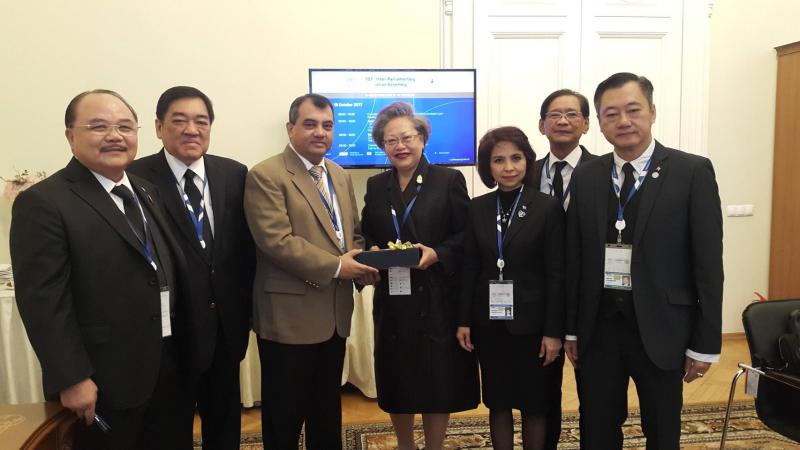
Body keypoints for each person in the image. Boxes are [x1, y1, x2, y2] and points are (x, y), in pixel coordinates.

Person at [10, 89, 188, 449]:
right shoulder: (44, 202)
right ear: (70, 135)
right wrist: (72, 377)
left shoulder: (145, 191)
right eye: (98, 126)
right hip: (103, 379)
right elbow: (44, 302)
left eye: (125, 126)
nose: (115, 136)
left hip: (165, 365)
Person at [564, 72, 723, 449]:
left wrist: (705, 343)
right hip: (598, 329)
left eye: (633, 110)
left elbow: (708, 265)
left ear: (652, 112)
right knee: (597, 428)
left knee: (663, 429)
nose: (623, 121)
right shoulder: (587, 176)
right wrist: (571, 329)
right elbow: (575, 259)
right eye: (611, 114)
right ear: (599, 122)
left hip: (663, 327)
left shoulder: (691, 172)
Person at [243, 93, 378, 449]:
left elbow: (351, 233)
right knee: (284, 417)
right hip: (289, 318)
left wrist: (362, 262)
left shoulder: (338, 174)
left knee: (326, 412)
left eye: (327, 125)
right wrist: (338, 266)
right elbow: (276, 241)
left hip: (334, 315)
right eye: (310, 124)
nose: (320, 132)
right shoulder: (266, 174)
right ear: (290, 128)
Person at [128, 86, 255, 450]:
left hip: (225, 328)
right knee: (170, 428)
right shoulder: (135, 177)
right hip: (171, 333)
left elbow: (244, 249)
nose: (191, 130)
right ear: (158, 127)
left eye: (201, 121)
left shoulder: (234, 173)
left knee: (225, 425)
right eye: (179, 121)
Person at [360, 102, 480, 450]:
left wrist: (437, 254)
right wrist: (370, 253)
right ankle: (405, 445)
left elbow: (466, 235)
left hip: (436, 297)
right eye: (390, 140)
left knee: (436, 379)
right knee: (397, 377)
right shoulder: (376, 185)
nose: (400, 146)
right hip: (393, 299)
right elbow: (367, 233)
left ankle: (434, 446)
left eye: (407, 137)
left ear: (422, 138)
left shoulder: (448, 179)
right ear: (382, 146)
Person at [457, 126, 565, 450]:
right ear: (487, 167)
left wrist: (553, 332)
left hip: (534, 327)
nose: (508, 167)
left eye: (516, 158)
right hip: (489, 325)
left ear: (527, 160)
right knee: (498, 402)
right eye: (498, 160)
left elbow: (556, 273)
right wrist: (464, 320)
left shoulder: (547, 207)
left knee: (535, 405)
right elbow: (470, 267)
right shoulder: (477, 208)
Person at [533, 88, 598, 449]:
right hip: (541, 300)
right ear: (541, 125)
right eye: (554, 114)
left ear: (586, 124)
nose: (563, 120)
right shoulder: (525, 173)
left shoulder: (605, 172)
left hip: (591, 300)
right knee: (543, 393)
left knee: (596, 394)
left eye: (572, 114)